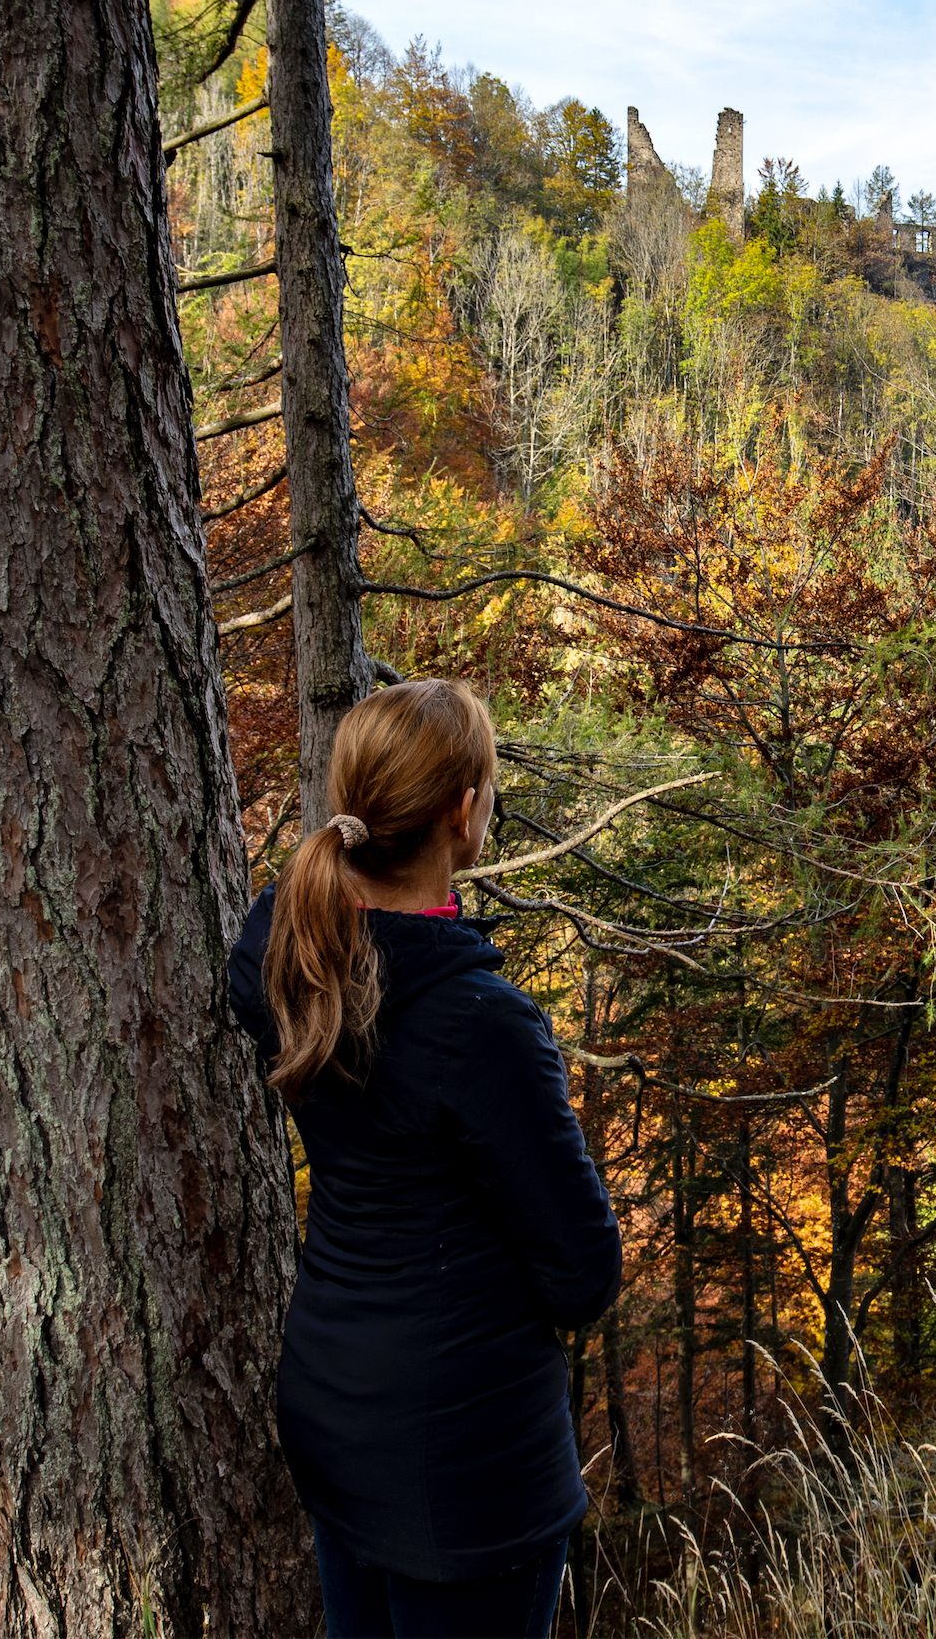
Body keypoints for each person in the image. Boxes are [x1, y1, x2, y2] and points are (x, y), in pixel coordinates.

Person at [229, 678, 620, 1639]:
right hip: (466, 1460)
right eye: (487, 784)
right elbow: (583, 1277)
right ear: (461, 811)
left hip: (336, 1404)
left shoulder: (283, 954)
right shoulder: (478, 1024)